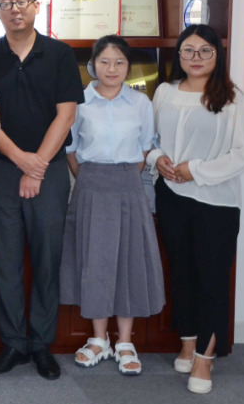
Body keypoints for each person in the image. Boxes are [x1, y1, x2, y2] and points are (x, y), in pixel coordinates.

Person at [0, 0, 83, 380]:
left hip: (49, 172)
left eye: (22, 1)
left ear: (36, 6)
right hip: (1, 170)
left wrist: (37, 166)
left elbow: (66, 115)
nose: (15, 9)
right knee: (5, 261)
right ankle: (14, 342)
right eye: (6, 3)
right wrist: (20, 160)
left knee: (47, 258)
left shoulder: (60, 54)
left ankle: (41, 343)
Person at [147, 24, 244, 394]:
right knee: (182, 272)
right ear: (178, 55)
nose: (196, 58)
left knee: (212, 279)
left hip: (216, 202)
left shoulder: (232, 97)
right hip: (171, 196)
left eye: (205, 50)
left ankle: (205, 359)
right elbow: (151, 139)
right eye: (189, 50)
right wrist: (158, 158)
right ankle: (188, 341)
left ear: (217, 55)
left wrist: (195, 170)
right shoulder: (165, 92)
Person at [59, 35, 165, 376]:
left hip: (128, 186)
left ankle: (125, 341)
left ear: (128, 67)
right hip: (90, 185)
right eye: (104, 61)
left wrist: (121, 177)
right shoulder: (79, 101)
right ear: (92, 65)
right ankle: (98, 339)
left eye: (119, 62)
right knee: (95, 262)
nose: (112, 68)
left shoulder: (141, 103)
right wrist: (92, 178)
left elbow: (145, 147)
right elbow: (70, 149)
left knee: (128, 261)